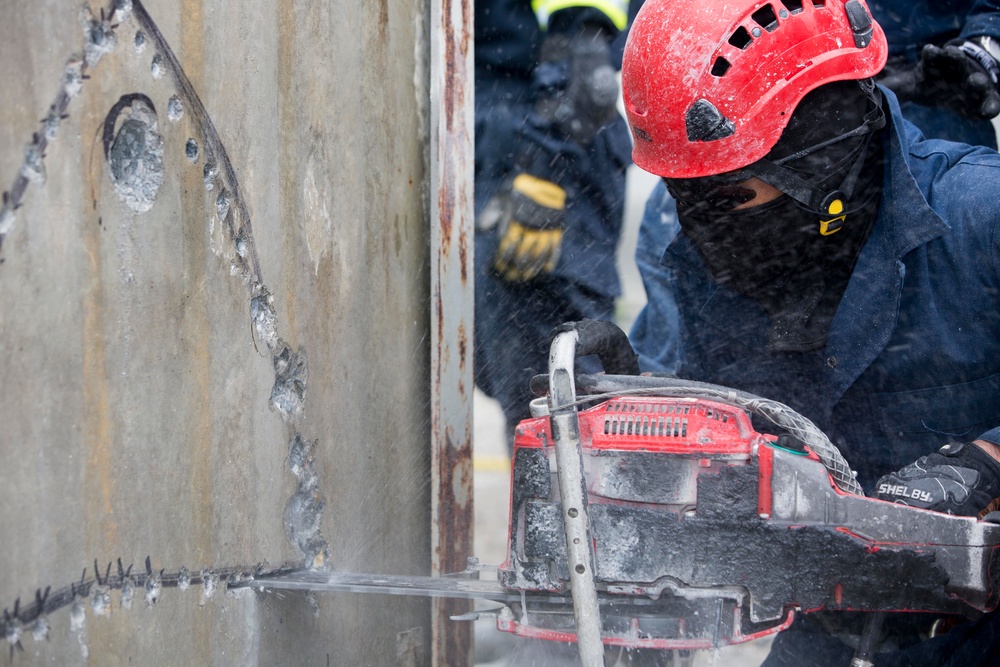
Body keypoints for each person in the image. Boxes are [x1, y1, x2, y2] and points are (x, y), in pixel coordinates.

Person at [617, 0, 1000, 663]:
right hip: (824, 617)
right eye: (684, 196)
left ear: (812, 149)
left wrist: (991, 460)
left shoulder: (979, 218)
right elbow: (666, 420)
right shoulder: (702, 262)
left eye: (727, 196)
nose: (701, 225)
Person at [473, 0, 633, 445]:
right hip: (505, 127)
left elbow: (586, 64)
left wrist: (545, 161)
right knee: (527, 395)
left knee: (560, 403)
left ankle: (577, 514)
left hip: (543, 134)